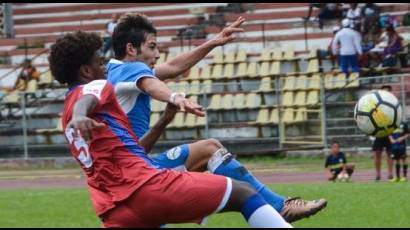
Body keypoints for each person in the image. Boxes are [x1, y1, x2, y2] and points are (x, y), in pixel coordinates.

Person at [49, 31, 293, 228]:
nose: (104, 68)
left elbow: (123, 149)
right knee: (243, 193)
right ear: (85, 71)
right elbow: (88, 98)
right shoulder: (95, 87)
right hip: (144, 187)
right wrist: (82, 115)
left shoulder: (66, 115)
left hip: (113, 210)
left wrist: (164, 119)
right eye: (99, 62)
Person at [108, 13, 327, 223]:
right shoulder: (132, 70)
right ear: (131, 48)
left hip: (131, 171)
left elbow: (173, 68)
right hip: (131, 177)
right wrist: (174, 97)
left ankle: (279, 207)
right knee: (214, 158)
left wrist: (214, 42)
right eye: (152, 47)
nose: (157, 54)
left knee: (208, 151)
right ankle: (280, 207)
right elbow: (153, 84)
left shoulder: (117, 72)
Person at [372, 85, 394, 181]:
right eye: (385, 91)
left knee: (390, 153)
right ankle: (378, 174)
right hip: (379, 132)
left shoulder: (394, 104)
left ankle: (390, 174)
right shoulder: (377, 104)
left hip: (390, 131)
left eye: (388, 91)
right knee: (377, 153)